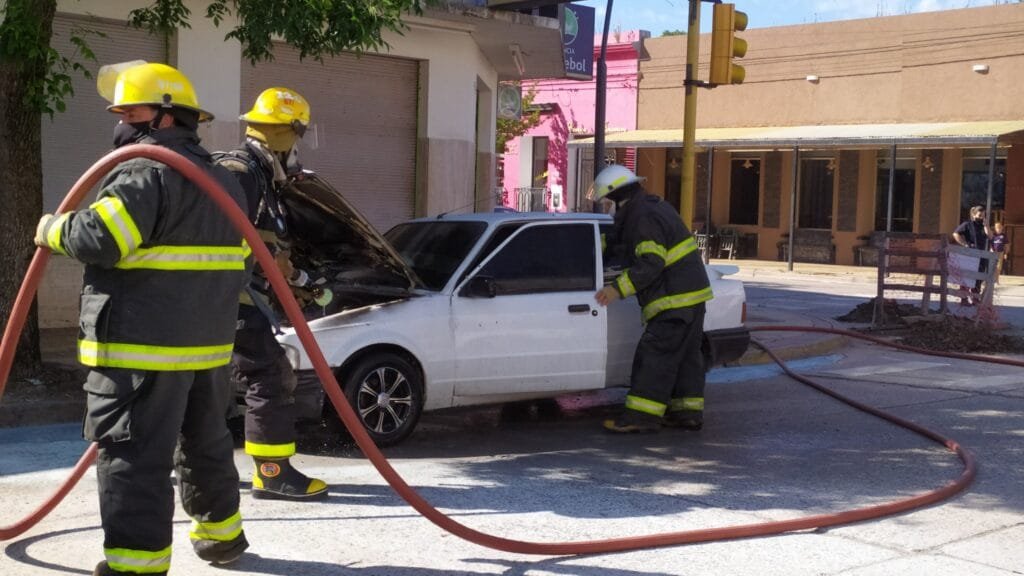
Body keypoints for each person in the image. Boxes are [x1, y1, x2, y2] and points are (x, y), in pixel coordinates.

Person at [34, 62, 250, 575]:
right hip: (206, 348)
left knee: (133, 457)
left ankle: (136, 566)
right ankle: (222, 537)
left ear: (167, 118)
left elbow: (101, 239)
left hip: (141, 348)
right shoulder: (223, 180)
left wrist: (51, 228)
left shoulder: (145, 173)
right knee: (207, 444)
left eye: (132, 111)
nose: (122, 123)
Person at [215, 87, 328, 501]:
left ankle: (178, 459)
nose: (298, 147)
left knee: (200, 380)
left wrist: (290, 275)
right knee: (269, 373)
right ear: (286, 134)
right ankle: (273, 471)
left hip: (224, 295)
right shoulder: (243, 173)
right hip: (230, 296)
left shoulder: (256, 172)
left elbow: (262, 239)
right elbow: (230, 238)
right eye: (297, 135)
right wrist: (279, 272)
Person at [590, 165, 714, 433]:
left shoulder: (642, 216)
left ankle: (640, 417)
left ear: (619, 196)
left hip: (673, 300)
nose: (609, 208)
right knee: (685, 358)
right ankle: (687, 413)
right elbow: (627, 248)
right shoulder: (649, 208)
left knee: (654, 356)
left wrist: (616, 289)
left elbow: (650, 263)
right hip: (691, 297)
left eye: (609, 202)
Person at [952, 205, 991, 306]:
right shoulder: (967, 224)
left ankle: (975, 298)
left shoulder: (984, 225)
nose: (981, 217)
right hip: (970, 255)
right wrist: (965, 244)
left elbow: (990, 236)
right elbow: (956, 234)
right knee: (966, 278)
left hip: (982, 255)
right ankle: (964, 299)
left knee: (979, 278)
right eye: (979, 215)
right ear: (974, 215)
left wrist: (986, 225)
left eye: (983, 215)